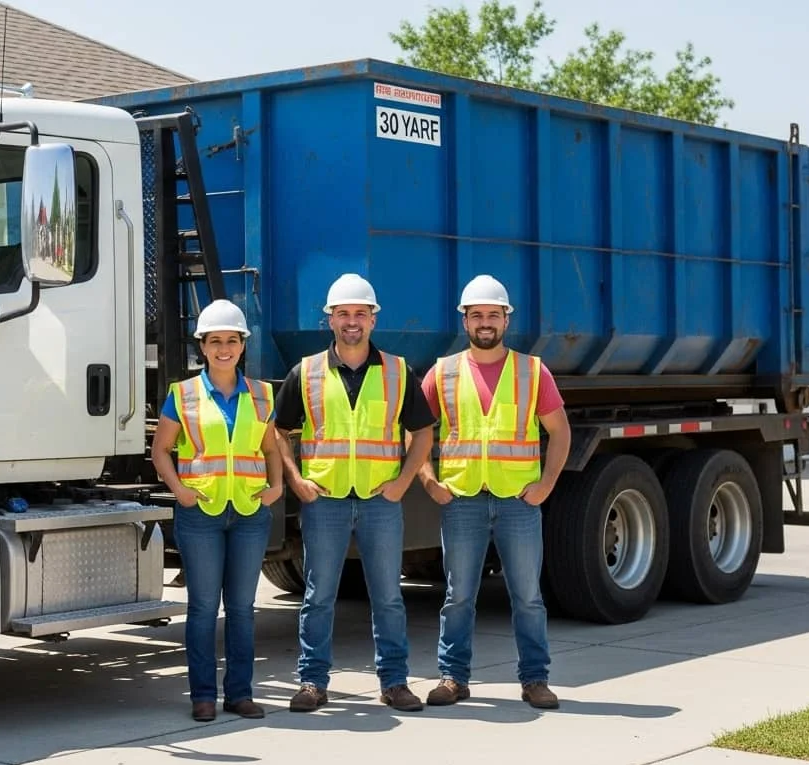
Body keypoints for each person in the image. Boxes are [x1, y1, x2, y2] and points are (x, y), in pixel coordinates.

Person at [272, 273, 436, 713]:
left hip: (380, 501)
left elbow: (423, 432)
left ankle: (395, 682)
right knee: (318, 596)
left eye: (360, 313)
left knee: (388, 596)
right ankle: (312, 682)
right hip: (324, 500)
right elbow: (278, 431)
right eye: (343, 313)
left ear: (373, 319)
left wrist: (403, 482)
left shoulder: (398, 372)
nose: (351, 321)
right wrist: (296, 480)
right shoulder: (305, 372)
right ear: (329, 319)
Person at [416, 274, 571, 710]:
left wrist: (546, 485)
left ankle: (535, 680)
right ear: (464, 320)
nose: (485, 322)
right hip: (461, 500)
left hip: (518, 501)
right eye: (477, 315)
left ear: (506, 320)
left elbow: (560, 432)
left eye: (493, 314)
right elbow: (417, 433)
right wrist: (428, 480)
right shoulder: (443, 372)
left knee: (528, 597)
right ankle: (453, 678)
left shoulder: (532, 371)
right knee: (458, 596)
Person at [151, 299, 284, 723]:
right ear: (203, 347)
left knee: (242, 608)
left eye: (231, 340)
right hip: (201, 515)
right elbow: (160, 450)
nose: (224, 349)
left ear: (242, 345)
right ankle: (203, 696)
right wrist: (180, 492)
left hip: (249, 514)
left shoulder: (262, 394)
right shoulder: (184, 394)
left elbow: (271, 447)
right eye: (215, 341)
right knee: (204, 608)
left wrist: (277, 487)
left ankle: (240, 695)